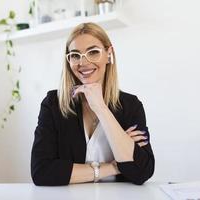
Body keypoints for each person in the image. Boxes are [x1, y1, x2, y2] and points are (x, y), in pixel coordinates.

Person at [31, 22, 154, 186]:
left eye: (93, 52)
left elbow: (142, 171)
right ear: (68, 61)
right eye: (75, 55)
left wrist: (101, 108)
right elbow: (42, 172)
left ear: (109, 54)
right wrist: (111, 167)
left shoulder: (131, 106)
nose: (83, 62)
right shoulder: (54, 104)